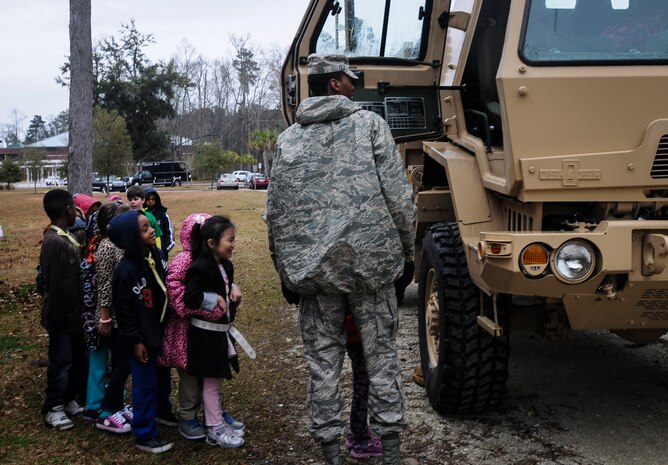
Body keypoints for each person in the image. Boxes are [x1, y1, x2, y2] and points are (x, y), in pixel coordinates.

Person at [265, 54, 417, 465]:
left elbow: (275, 210)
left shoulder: (289, 140)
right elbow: (399, 198)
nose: (354, 84)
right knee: (382, 359)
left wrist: (285, 269)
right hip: (370, 269)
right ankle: (391, 454)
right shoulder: (370, 126)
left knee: (322, 365)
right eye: (350, 79)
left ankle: (332, 453)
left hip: (314, 274)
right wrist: (407, 252)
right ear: (334, 84)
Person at [108, 210, 175, 453]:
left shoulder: (154, 254)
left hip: (157, 332)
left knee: (162, 377)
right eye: (145, 228)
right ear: (130, 238)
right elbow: (123, 313)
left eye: (151, 225)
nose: (152, 230)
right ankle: (144, 433)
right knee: (144, 385)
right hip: (141, 340)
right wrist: (135, 341)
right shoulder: (125, 271)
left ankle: (162, 411)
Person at [183, 216, 245, 449]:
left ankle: (217, 421)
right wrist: (214, 299)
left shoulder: (225, 264)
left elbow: (227, 285)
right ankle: (215, 428)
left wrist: (233, 291)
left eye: (233, 239)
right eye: (229, 240)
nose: (233, 244)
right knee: (210, 382)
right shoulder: (200, 267)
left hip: (220, 333)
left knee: (216, 381)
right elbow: (190, 297)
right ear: (211, 243)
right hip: (205, 336)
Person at [39, 189, 87, 430]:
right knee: (61, 361)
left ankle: (68, 399)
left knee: (76, 359)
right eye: (73, 209)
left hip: (75, 314)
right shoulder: (54, 241)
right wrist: (57, 318)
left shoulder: (67, 236)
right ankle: (53, 407)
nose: (76, 213)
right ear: (68, 209)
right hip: (61, 316)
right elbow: (52, 283)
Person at [87, 202, 133, 433]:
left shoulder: (121, 244)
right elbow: (104, 285)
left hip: (123, 314)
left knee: (122, 363)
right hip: (111, 317)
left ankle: (117, 405)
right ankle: (106, 412)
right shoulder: (106, 246)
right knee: (121, 363)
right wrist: (105, 318)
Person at [126, 185, 163, 252]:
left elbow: (157, 236)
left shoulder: (150, 217)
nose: (132, 202)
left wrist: (158, 252)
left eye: (136, 199)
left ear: (143, 200)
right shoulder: (126, 218)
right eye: (130, 200)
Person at [143, 188, 175, 260]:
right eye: (148, 199)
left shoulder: (163, 215)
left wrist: (163, 251)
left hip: (161, 254)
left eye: (153, 199)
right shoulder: (140, 215)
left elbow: (169, 236)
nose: (151, 201)